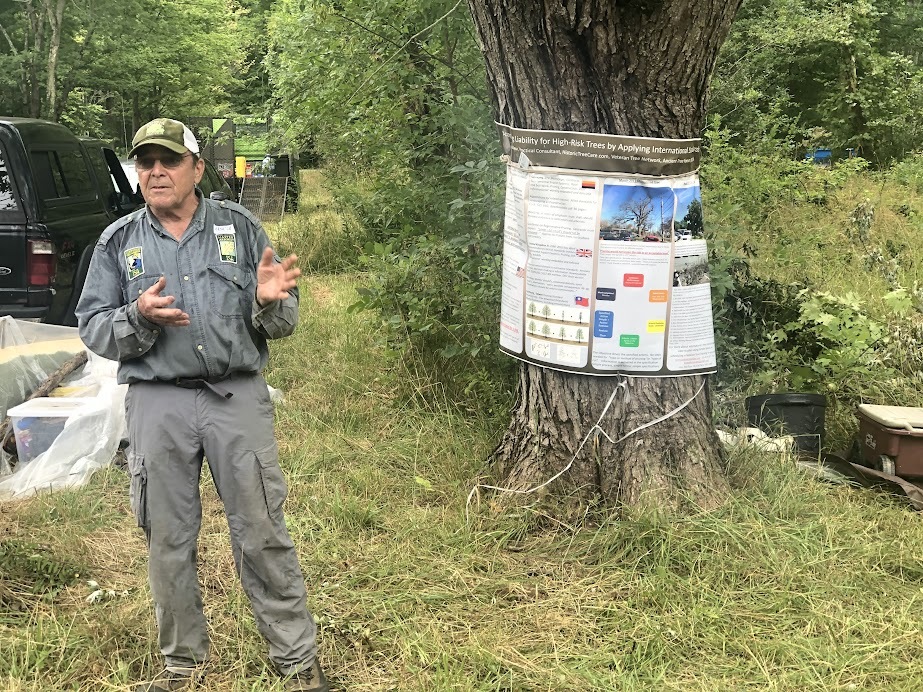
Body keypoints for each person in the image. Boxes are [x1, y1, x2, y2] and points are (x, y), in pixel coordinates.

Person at [76, 118, 327, 692]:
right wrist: (136, 318)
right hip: (157, 401)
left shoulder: (239, 229)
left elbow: (283, 319)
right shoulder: (119, 242)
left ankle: (295, 659)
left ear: (197, 168)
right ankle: (181, 664)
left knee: (261, 526)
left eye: (168, 161)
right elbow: (91, 327)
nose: (156, 172)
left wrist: (267, 302)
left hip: (234, 395)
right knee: (167, 534)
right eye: (145, 163)